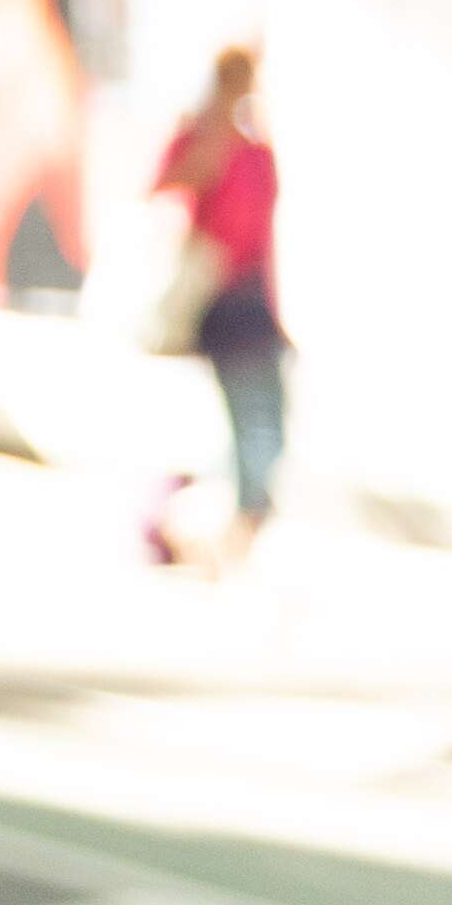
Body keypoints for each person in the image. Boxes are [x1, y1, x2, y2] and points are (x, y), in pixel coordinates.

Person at [155, 41, 287, 559]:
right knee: (225, 421)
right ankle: (188, 524)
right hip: (211, 300)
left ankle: (235, 529)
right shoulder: (203, 141)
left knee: (259, 420)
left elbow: (264, 236)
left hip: (249, 298)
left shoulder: (257, 153)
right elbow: (164, 191)